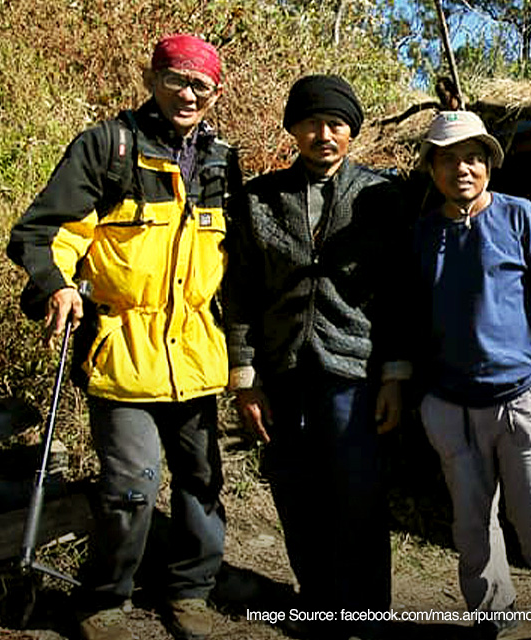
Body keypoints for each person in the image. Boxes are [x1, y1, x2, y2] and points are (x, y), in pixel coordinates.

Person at [6, 34, 239, 640]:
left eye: (201, 86)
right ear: (152, 77)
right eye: (177, 79)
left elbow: (239, 261)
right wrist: (55, 286)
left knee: (202, 481)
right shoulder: (108, 147)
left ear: (215, 93)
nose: (188, 94)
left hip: (194, 352)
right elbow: (48, 231)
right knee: (132, 485)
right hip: (122, 349)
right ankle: (104, 601)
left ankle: (190, 594)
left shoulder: (221, 161)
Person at [223, 74, 408, 640]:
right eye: (310, 123)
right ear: (293, 130)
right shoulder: (259, 200)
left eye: (335, 124)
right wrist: (244, 376)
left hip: (353, 373)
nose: (322, 135)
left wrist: (395, 376)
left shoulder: (382, 197)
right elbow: (240, 291)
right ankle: (320, 605)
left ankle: (366, 615)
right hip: (281, 373)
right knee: (296, 494)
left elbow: (400, 292)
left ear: (351, 131)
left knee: (359, 497)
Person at [409, 111, 531, 640]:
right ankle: (491, 613)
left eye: (473, 157)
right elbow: (411, 314)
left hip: (521, 398)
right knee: (472, 528)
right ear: (432, 168)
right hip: (451, 406)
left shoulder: (521, 217)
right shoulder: (424, 233)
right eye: (447, 159)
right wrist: (426, 394)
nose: (462, 169)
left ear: (490, 163)